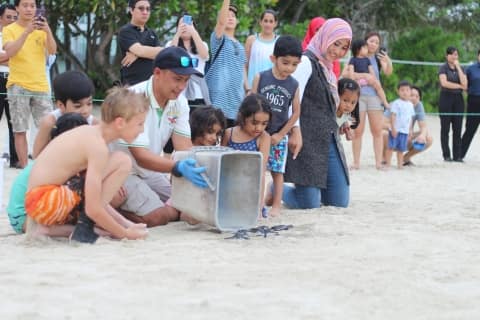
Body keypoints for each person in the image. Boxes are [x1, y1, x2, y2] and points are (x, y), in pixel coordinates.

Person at [24, 87, 149, 243]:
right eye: (140, 124)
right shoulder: (97, 147)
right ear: (120, 122)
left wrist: (124, 224)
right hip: (45, 203)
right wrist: (125, 233)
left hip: (40, 204)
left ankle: (69, 229)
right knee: (121, 162)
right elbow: (93, 207)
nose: (142, 129)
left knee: (121, 160)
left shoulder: (91, 134)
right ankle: (85, 228)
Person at [113, 46, 208, 228]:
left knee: (185, 206)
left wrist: (199, 168)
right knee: (159, 217)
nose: (181, 87)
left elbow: (183, 148)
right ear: (157, 73)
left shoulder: (179, 101)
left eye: (186, 81)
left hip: (150, 171)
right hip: (124, 171)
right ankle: (108, 207)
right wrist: (177, 167)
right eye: (177, 79)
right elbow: (140, 157)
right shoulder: (133, 98)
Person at [284, 18, 352, 209]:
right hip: (307, 141)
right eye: (335, 43)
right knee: (308, 203)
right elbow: (292, 98)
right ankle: (276, 189)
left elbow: (329, 102)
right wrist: (295, 131)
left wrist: (342, 120)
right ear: (325, 36)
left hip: (329, 139)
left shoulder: (328, 69)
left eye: (343, 47)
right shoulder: (306, 61)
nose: (337, 51)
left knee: (339, 202)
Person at [3, 0, 57, 169]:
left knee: (48, 128)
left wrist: (47, 30)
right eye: (25, 5)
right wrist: (27, 31)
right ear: (17, 8)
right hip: (18, 85)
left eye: (32, 6)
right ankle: (25, 169)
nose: (29, 9)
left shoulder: (42, 30)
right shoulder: (8, 29)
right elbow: (10, 52)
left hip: (41, 85)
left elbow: (53, 51)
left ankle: (43, 166)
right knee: (20, 130)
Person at [251, 35, 301, 217]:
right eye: (285, 63)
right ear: (274, 58)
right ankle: (256, 205)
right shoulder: (261, 77)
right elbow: (250, 103)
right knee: (258, 171)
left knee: (277, 172)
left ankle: (276, 206)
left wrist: (281, 134)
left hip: (278, 137)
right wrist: (255, 130)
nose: (289, 68)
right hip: (257, 134)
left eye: (295, 64)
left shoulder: (294, 84)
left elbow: (295, 112)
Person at [345, 31, 393, 170]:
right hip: (358, 97)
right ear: (365, 43)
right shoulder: (354, 58)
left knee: (377, 130)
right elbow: (348, 74)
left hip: (374, 97)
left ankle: (378, 163)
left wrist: (387, 61)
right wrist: (365, 75)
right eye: (371, 41)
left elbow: (388, 72)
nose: (374, 44)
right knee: (358, 130)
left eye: (377, 42)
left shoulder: (377, 59)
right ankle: (356, 162)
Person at [221, 94, 271, 217]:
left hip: (250, 188)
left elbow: (261, 172)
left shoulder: (263, 137)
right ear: (242, 117)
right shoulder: (229, 133)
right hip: (229, 186)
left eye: (264, 123)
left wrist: (259, 206)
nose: (259, 128)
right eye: (254, 122)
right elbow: (220, 164)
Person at [33, 71, 98, 158]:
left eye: (89, 104)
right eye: (78, 106)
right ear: (61, 105)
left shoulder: (93, 124)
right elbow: (37, 155)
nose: (85, 110)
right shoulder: (50, 122)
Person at [205, 0, 247, 127]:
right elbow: (221, 22)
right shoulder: (218, 39)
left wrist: (248, 89)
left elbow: (242, 68)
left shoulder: (240, 45)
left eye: (233, 16)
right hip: (219, 99)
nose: (230, 18)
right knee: (216, 137)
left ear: (237, 21)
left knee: (231, 141)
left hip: (236, 100)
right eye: (226, 15)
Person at [167, 13, 210, 111]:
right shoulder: (171, 43)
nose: (185, 27)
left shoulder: (202, 44)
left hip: (198, 92)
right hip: (178, 92)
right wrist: (177, 34)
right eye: (181, 24)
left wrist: (193, 32)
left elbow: (204, 55)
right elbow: (170, 56)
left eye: (189, 24)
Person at [118, 0, 162, 85]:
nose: (145, 12)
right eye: (141, 8)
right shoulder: (126, 31)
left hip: (151, 85)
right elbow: (140, 51)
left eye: (148, 9)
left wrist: (136, 54)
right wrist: (140, 52)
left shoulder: (152, 33)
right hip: (132, 86)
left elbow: (160, 53)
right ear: (131, 10)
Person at [438, 46, 467, 162]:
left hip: (458, 99)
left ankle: (457, 155)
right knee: (445, 128)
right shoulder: (443, 68)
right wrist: (459, 86)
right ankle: (446, 155)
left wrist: (458, 67)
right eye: (452, 54)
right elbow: (444, 83)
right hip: (446, 98)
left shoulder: (461, 68)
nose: (455, 56)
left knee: (458, 127)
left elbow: (465, 83)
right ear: (447, 56)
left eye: (456, 54)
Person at [0, 3, 18, 168]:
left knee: (15, 120)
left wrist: (7, 56)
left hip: (14, 79)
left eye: (14, 17)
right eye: (8, 17)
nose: (12, 20)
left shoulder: (17, 35)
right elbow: (14, 57)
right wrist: (11, 57)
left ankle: (16, 158)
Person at [346, 39, 389, 108]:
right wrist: (353, 81)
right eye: (365, 48)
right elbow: (351, 72)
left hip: (368, 80)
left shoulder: (367, 60)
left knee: (379, 86)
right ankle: (352, 105)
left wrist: (373, 79)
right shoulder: (353, 59)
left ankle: (384, 101)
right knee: (354, 91)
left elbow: (371, 71)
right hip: (358, 81)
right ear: (358, 49)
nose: (367, 50)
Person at [384, 81, 415, 169]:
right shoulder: (396, 103)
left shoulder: (410, 105)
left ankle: (399, 165)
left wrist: (410, 130)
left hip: (404, 131)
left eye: (407, 90)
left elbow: (411, 119)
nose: (405, 92)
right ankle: (388, 164)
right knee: (390, 147)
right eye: (402, 90)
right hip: (395, 130)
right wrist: (393, 128)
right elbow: (393, 116)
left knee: (401, 149)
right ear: (398, 92)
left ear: (410, 92)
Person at [245, 9, 278, 88]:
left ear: (275, 24)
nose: (268, 24)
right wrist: (246, 87)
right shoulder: (251, 40)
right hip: (252, 87)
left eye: (271, 21)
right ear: (260, 22)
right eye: (265, 21)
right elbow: (245, 65)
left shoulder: (279, 41)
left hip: (271, 88)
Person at [401, 85, 433, 165]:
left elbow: (423, 126)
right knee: (385, 133)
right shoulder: (397, 104)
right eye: (412, 95)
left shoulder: (418, 105)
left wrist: (422, 135)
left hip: (408, 137)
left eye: (417, 96)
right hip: (395, 136)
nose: (414, 98)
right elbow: (383, 124)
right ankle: (384, 157)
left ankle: (406, 158)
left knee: (428, 138)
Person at [461, 49, 480, 159]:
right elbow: (465, 85)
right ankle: (460, 154)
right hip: (474, 100)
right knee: (470, 129)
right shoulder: (471, 69)